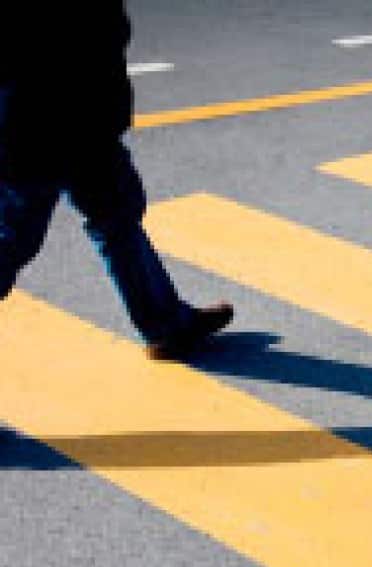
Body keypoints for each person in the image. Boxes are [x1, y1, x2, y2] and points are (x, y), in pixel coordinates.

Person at [0, 2, 232, 358]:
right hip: (49, 110)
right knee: (16, 235)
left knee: (114, 217)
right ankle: (165, 324)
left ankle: (166, 324)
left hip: (62, 109)